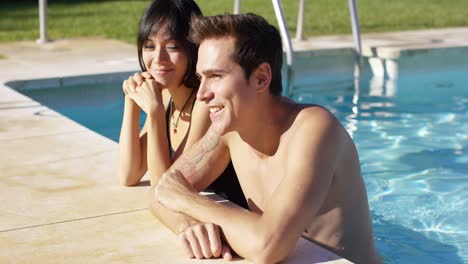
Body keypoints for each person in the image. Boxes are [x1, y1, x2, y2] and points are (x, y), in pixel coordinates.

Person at [150, 13, 381, 264]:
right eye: (200, 78)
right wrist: (187, 223)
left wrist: (186, 200)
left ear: (261, 78)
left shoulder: (315, 129)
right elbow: (161, 192)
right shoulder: (228, 132)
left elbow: (267, 247)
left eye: (215, 76)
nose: (203, 94)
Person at [117, 0, 247, 255]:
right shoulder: (166, 96)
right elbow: (129, 175)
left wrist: (154, 113)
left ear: (192, 49)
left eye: (173, 47)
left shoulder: (204, 103)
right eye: (150, 46)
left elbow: (164, 189)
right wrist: (130, 102)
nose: (158, 59)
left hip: (239, 222)